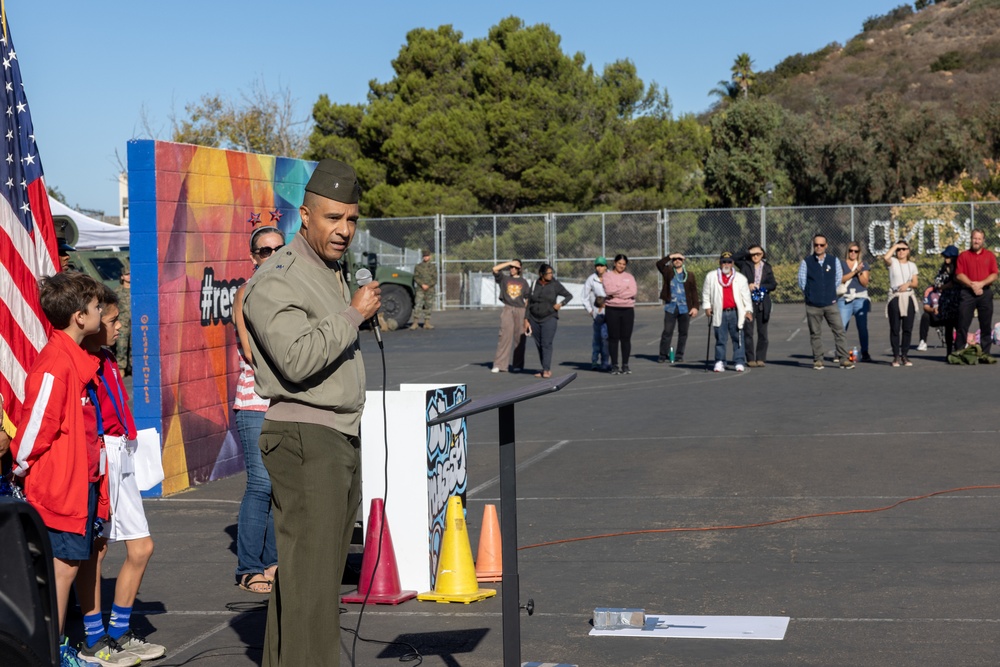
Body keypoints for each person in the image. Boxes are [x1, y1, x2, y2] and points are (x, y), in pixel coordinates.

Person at [242, 159, 382, 667]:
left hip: (336, 434)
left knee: (308, 579)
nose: (344, 230)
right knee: (316, 585)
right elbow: (296, 359)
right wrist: (352, 315)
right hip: (305, 436)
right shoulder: (277, 278)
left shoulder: (331, 271)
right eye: (332, 219)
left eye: (351, 219)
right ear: (305, 216)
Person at [10, 272, 110, 667]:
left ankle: (57, 646)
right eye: (97, 306)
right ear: (79, 317)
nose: (102, 311)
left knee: (69, 565)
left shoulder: (74, 359)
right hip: (59, 485)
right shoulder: (55, 363)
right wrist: (20, 469)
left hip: (77, 482)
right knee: (63, 569)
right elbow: (36, 426)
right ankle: (51, 652)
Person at [78, 285, 164, 664]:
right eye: (110, 320)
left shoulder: (108, 357)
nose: (117, 327)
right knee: (95, 552)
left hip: (122, 455)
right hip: (99, 458)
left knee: (141, 547)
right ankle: (94, 639)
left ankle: (118, 633)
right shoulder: (79, 363)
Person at [232, 226, 283, 593]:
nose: (273, 255)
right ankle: (250, 567)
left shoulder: (294, 291)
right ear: (253, 258)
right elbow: (253, 352)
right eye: (265, 251)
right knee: (261, 484)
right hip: (255, 402)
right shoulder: (247, 293)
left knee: (282, 485)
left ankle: (274, 560)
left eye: (279, 249)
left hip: (290, 401)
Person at [798, 233, 852, 369]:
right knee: (815, 333)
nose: (819, 247)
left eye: (822, 245)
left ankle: (844, 359)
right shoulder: (807, 262)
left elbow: (838, 279)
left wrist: (828, 293)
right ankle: (818, 359)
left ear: (826, 246)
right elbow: (802, 282)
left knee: (839, 331)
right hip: (813, 305)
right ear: (813, 245)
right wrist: (811, 295)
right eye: (816, 245)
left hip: (830, 303)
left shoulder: (834, 261)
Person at [702, 251, 753, 372]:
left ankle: (739, 361)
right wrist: (707, 307)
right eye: (724, 262)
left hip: (736, 312)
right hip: (720, 312)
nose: (726, 264)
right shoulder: (711, 276)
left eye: (729, 262)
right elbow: (706, 293)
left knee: (738, 338)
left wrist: (748, 310)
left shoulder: (740, 278)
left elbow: (746, 296)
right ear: (720, 263)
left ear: (733, 263)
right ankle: (720, 361)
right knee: (720, 339)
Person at [524, 263, 572, 379]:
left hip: (549, 318)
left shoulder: (555, 284)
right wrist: (526, 319)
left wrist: (560, 304)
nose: (551, 275)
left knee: (546, 343)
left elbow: (568, 296)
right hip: (534, 318)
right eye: (549, 273)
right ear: (541, 274)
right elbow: (529, 303)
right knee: (539, 344)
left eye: (552, 273)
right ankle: (544, 367)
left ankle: (546, 369)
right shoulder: (535, 284)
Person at [954, 228, 998, 356]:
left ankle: (985, 353)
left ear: (983, 240)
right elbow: (959, 275)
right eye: (974, 238)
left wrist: (981, 284)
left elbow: (994, 274)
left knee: (985, 324)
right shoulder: (963, 256)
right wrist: (972, 285)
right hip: (967, 293)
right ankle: (960, 351)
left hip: (985, 292)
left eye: (979, 239)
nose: (976, 241)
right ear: (971, 239)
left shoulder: (989, 256)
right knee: (962, 323)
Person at [655, 252, 699, 364]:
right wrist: (670, 256)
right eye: (675, 259)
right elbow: (659, 264)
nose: (677, 261)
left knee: (683, 332)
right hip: (671, 306)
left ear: (683, 260)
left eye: (679, 259)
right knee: (667, 331)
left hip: (685, 307)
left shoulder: (689, 275)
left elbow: (694, 292)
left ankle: (679, 354)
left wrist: (695, 307)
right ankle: (663, 354)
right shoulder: (668, 272)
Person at [737, 245, 776, 367]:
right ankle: (750, 358)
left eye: (758, 254)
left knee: (763, 332)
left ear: (762, 254)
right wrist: (748, 285)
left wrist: (762, 287)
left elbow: (773, 284)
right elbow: (733, 258)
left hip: (763, 303)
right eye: (753, 254)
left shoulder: (767, 267)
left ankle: (761, 358)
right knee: (748, 331)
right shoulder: (745, 265)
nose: (755, 256)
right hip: (748, 302)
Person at [883, 241, 920, 367]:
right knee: (895, 328)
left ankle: (905, 355)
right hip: (895, 297)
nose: (901, 251)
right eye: (899, 249)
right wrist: (895, 246)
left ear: (908, 251)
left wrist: (908, 284)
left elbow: (915, 283)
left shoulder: (912, 265)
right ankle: (896, 356)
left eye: (904, 249)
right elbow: (885, 257)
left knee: (907, 328)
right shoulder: (892, 262)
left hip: (908, 297)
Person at [918, 245, 960, 355]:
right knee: (948, 326)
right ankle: (949, 351)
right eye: (945, 256)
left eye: (948, 256)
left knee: (959, 326)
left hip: (957, 301)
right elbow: (938, 284)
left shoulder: (959, 269)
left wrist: (950, 284)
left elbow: (958, 281)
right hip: (946, 302)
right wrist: (948, 285)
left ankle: (959, 348)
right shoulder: (942, 270)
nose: (946, 258)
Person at [491, 259, 529, 373]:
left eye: (515, 267)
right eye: (511, 267)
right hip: (508, 309)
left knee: (520, 338)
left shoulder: (524, 282)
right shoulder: (504, 279)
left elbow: (527, 298)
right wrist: (509, 263)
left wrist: (526, 315)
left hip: (520, 310)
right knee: (504, 336)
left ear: (520, 268)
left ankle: (517, 364)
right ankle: (500, 364)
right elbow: (495, 269)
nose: (512, 269)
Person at [837, 241, 872, 362]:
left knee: (862, 327)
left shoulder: (864, 264)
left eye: (855, 251)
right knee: (841, 327)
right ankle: (840, 352)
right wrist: (854, 272)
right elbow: (840, 279)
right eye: (851, 251)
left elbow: (865, 283)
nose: (853, 253)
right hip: (845, 298)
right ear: (847, 251)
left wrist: (859, 271)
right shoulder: (841, 264)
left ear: (859, 253)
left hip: (860, 298)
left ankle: (865, 351)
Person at [603, 254, 638, 374]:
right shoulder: (607, 276)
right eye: (619, 263)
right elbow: (608, 290)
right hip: (612, 309)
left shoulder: (630, 277)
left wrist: (617, 293)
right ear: (614, 263)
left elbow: (633, 291)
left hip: (627, 309)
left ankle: (625, 365)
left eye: (624, 264)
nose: (621, 266)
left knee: (626, 338)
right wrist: (624, 290)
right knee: (613, 338)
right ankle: (614, 365)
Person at [582, 257, 610, 370]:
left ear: (606, 267)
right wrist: (590, 310)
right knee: (597, 338)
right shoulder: (591, 279)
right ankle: (594, 361)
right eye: (597, 265)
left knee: (606, 338)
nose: (599, 268)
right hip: (598, 314)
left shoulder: (611, 277)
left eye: (602, 265)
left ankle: (605, 362)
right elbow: (584, 297)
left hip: (610, 312)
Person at [410, 249, 437, 330]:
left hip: (430, 289)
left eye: (427, 256)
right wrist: (422, 284)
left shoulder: (433, 267)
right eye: (424, 256)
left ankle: (427, 323)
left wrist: (428, 285)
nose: (426, 257)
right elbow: (416, 277)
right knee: (418, 305)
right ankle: (415, 323)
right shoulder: (418, 267)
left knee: (428, 305)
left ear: (430, 257)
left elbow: (435, 278)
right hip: (420, 289)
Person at [114, 264, 131, 376]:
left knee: (136, 347)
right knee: (121, 346)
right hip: (123, 323)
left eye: (130, 274)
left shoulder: (137, 290)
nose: (129, 276)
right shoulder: (117, 292)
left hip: (135, 323)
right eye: (126, 274)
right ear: (122, 277)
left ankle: (134, 368)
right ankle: (121, 368)